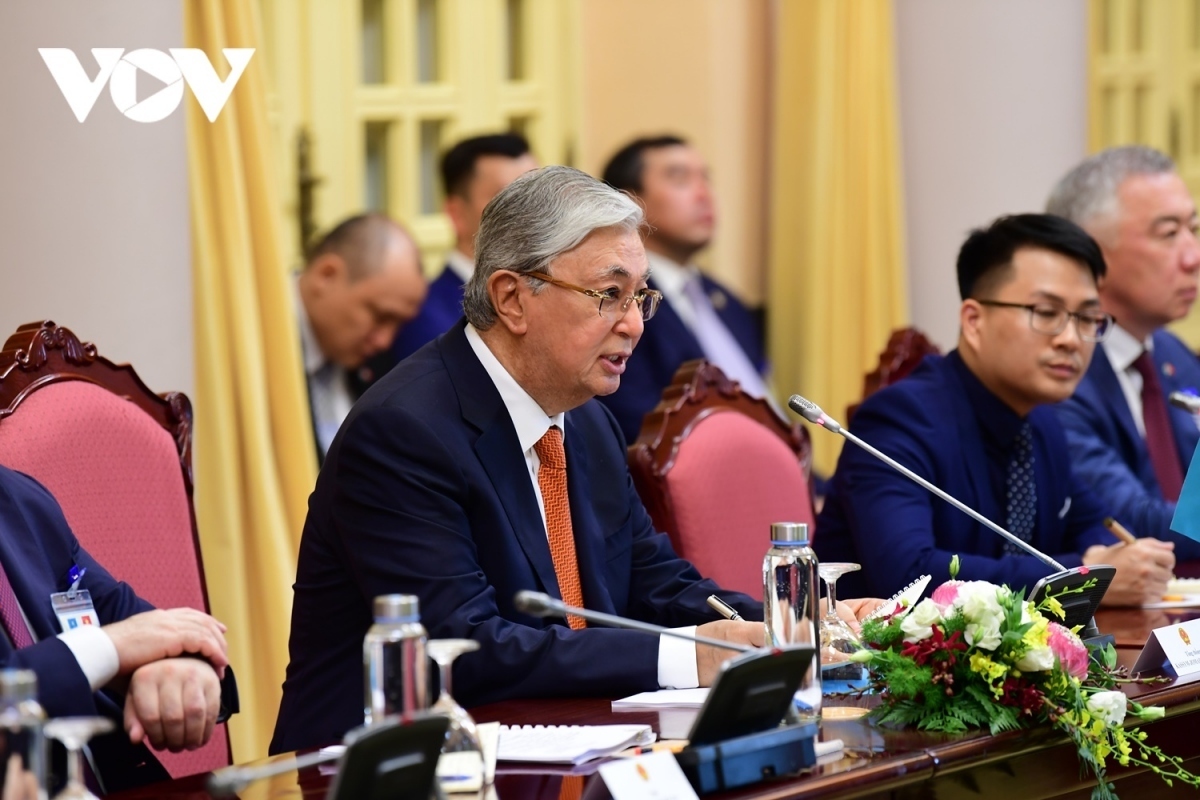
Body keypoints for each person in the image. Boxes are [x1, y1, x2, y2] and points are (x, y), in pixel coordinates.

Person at [271, 166, 879, 754]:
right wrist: (693, 652)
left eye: (641, 297)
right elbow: (466, 647)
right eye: (608, 295)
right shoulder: (403, 431)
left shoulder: (585, 419)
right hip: (370, 769)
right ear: (512, 298)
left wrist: (793, 624)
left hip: (563, 743)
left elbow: (652, 580)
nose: (633, 325)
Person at [815, 214, 1176, 604]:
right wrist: (1079, 576)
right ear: (974, 321)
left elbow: (1095, 526)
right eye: (1046, 313)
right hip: (869, 660)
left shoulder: (1041, 422)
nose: (1071, 339)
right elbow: (908, 576)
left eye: (1088, 318)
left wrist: (1115, 559)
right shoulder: (898, 419)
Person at [0, 463, 233, 794]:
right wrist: (109, 649)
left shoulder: (19, 497)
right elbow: (127, 637)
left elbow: (136, 622)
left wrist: (179, 666)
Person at [1048, 146, 1200, 555]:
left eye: (1194, 229)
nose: (1193, 256)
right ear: (1091, 254)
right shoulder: (1059, 365)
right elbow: (1130, 522)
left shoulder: (1174, 356)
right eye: (1169, 234)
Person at [597, 136, 768, 444]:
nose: (704, 194)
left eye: (706, 178)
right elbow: (643, 432)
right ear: (630, 202)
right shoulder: (614, 307)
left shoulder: (726, 301)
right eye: (681, 179)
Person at [387, 134, 537, 364]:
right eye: (507, 200)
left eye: (536, 197)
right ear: (456, 213)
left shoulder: (553, 295)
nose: (528, 213)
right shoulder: (426, 320)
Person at [296, 213, 427, 459]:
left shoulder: (377, 366)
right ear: (326, 275)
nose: (384, 340)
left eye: (398, 323)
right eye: (379, 316)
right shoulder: (256, 345)